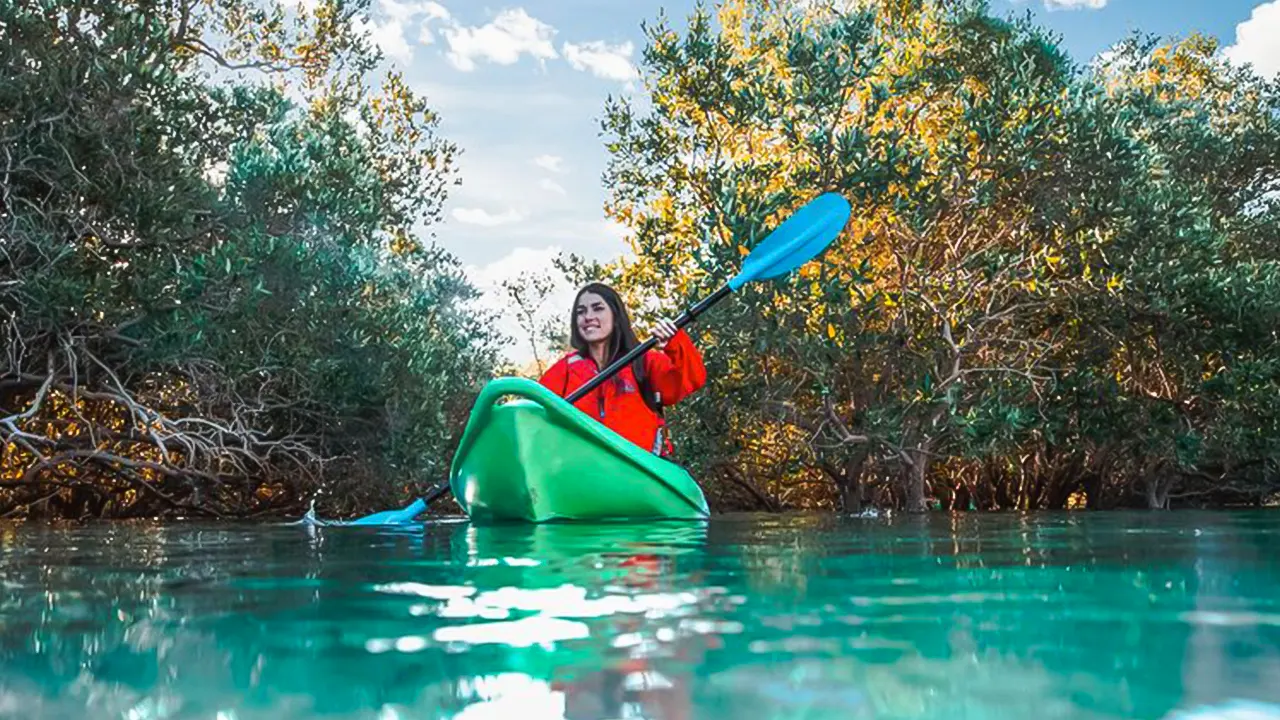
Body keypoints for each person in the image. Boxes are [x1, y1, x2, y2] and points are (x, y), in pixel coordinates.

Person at [539, 282, 706, 458]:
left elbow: (691, 379)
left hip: (637, 472)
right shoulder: (565, 369)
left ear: (615, 316)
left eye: (597, 308)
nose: (588, 316)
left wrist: (675, 342)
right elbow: (534, 411)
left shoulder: (643, 361)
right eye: (581, 312)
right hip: (583, 472)